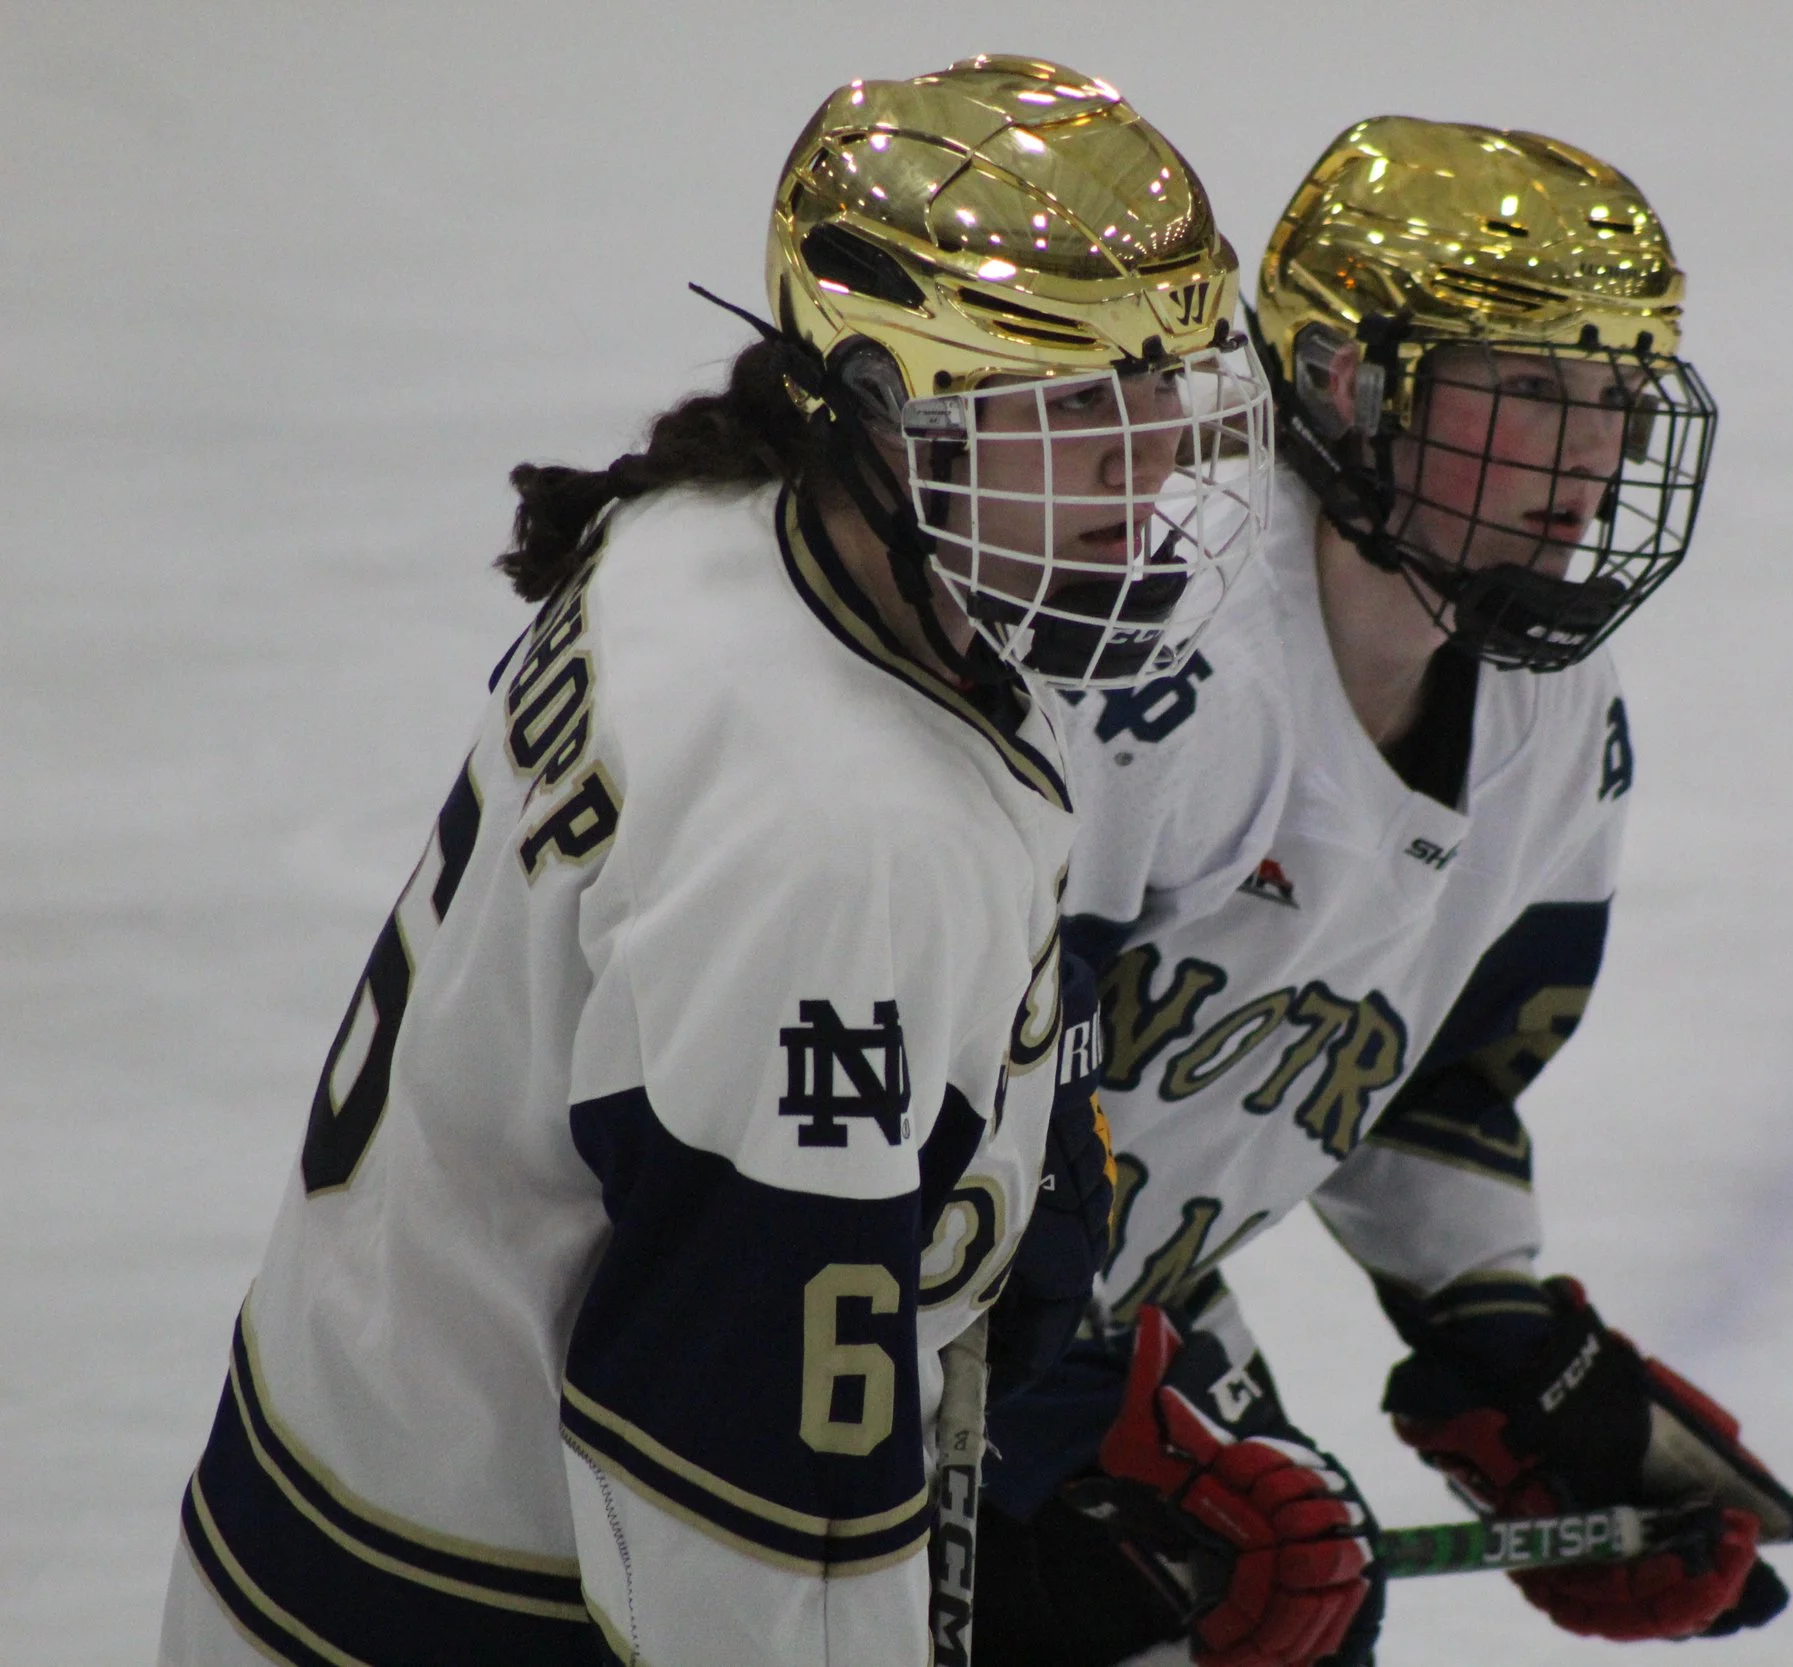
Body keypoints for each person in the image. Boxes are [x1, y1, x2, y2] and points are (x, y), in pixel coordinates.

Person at [157, 56, 1275, 1667]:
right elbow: (739, 1473)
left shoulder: (718, 539)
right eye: (1069, 404)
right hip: (481, 1613)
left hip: (332, 1495)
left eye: (1164, 382)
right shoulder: (838, 832)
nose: (1154, 455)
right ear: (887, 407)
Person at [970, 117, 1793, 1667]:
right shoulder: (1155, 646)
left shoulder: (1552, 712)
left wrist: (1506, 1344)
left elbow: (1427, 1067)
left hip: (1093, 1302)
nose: (1595, 454)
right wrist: (1074, 1421)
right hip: (850, 1312)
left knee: (1303, 1609)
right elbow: (929, 1110)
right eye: (1536, 386)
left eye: (1617, 394)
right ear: (1348, 380)